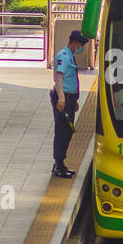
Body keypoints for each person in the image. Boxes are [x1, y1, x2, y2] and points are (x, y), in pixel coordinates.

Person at [50, 30, 88, 178]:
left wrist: (74, 100)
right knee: (62, 132)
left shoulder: (70, 56)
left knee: (67, 131)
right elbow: (59, 77)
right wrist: (61, 98)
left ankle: (61, 163)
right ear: (75, 42)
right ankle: (59, 165)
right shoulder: (63, 56)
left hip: (69, 99)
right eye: (81, 44)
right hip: (63, 98)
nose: (82, 47)